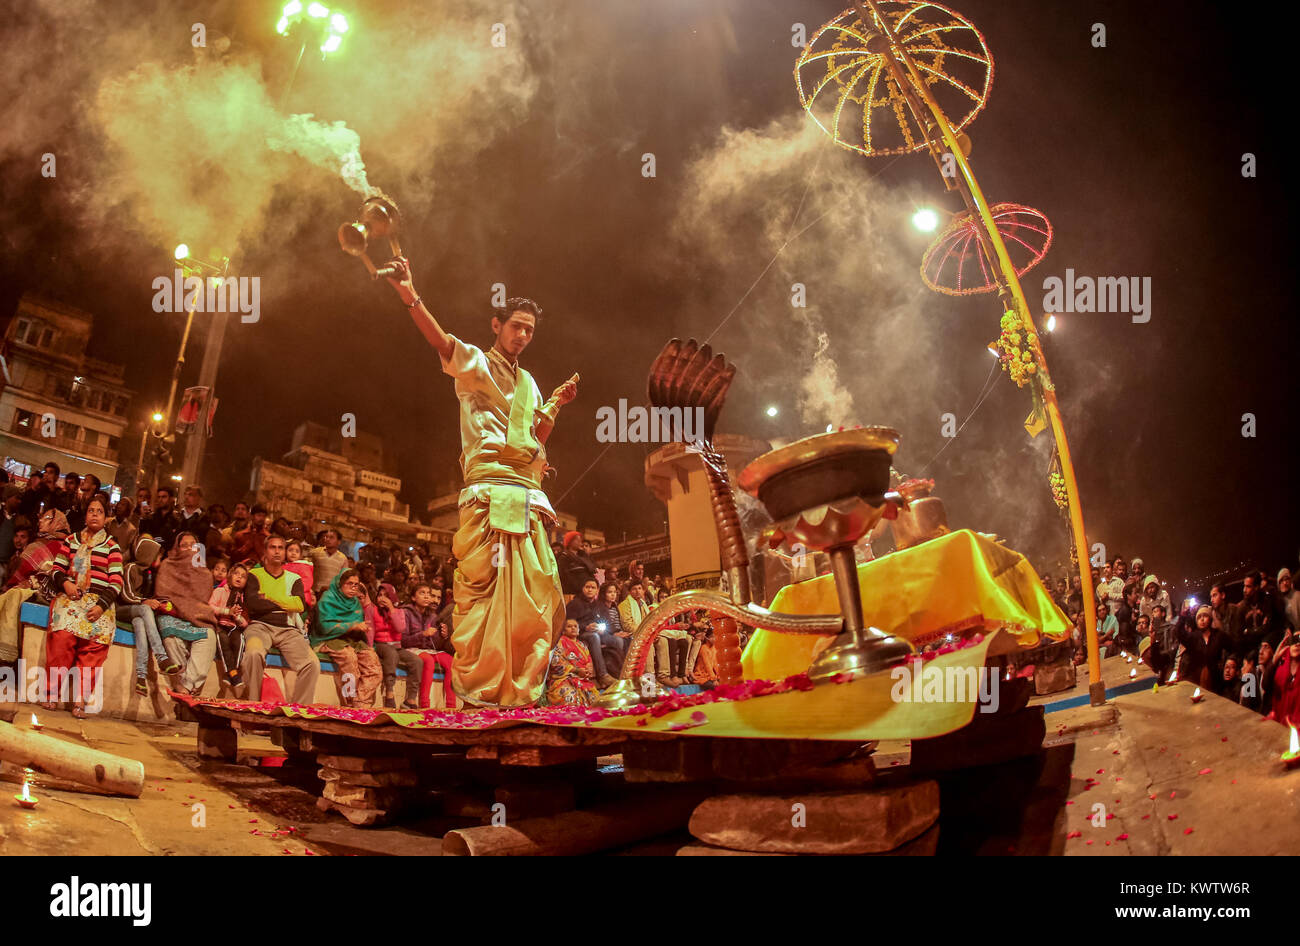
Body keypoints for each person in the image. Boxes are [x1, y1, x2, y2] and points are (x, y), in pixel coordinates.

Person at [386, 258, 577, 708]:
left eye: (530, 330)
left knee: (531, 592)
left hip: (525, 496)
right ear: (497, 324)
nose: (523, 335)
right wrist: (408, 292)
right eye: (516, 326)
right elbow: (439, 339)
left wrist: (556, 405)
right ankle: (481, 693)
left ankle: (518, 692)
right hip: (488, 494)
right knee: (488, 593)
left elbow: (529, 440)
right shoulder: (475, 363)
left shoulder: (528, 382)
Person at [42, 493, 123, 718]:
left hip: (99, 603)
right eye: (91, 510)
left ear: (106, 518)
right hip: (71, 599)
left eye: (99, 511)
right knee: (61, 640)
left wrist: (100, 606)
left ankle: (80, 701)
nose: (94, 515)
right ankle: (51, 694)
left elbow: (116, 582)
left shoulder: (112, 546)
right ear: (85, 515)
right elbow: (57, 569)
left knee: (94, 649)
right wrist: (66, 584)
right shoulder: (71, 541)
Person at [241, 535, 321, 704]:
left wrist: (269, 598)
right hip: (259, 626)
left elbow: (299, 605)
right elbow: (253, 604)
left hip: (288, 629)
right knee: (254, 654)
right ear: (265, 551)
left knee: (312, 663)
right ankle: (254, 706)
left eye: (280, 548)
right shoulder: (254, 575)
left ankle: (299, 712)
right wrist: (286, 602)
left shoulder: (294, 578)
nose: (277, 551)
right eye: (272, 547)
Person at [154, 532, 218, 697]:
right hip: (174, 615)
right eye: (184, 545)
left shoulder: (205, 573)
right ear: (177, 548)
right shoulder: (167, 566)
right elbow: (163, 594)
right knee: (170, 636)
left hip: (199, 617)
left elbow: (201, 602)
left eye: (193, 546)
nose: (189, 549)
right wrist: (180, 608)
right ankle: (186, 687)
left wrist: (192, 610)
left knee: (209, 636)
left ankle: (184, 687)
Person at [311, 569, 383, 709]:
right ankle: (348, 704)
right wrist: (351, 626)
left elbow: (359, 626)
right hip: (328, 639)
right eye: (349, 584)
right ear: (340, 584)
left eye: (356, 585)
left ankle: (360, 702)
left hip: (352, 640)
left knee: (373, 662)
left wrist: (359, 630)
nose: (353, 588)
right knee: (349, 658)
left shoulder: (355, 603)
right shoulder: (328, 599)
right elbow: (324, 627)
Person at [119, 536, 181, 695]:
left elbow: (147, 599)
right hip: (122, 609)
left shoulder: (149, 574)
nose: (159, 559)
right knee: (145, 611)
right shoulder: (130, 568)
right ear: (148, 555)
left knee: (140, 622)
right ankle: (162, 658)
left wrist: (156, 603)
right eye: (157, 556)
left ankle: (141, 677)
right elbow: (127, 595)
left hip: (136, 611)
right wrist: (145, 602)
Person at [399, 584, 457, 710]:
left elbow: (433, 644)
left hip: (428, 650)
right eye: (422, 593)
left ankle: (451, 706)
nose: (426, 596)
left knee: (451, 661)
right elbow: (403, 641)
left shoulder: (433, 616)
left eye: (428, 594)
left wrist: (443, 636)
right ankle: (425, 704)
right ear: (414, 598)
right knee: (428, 661)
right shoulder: (406, 613)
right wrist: (422, 634)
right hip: (411, 649)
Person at [370, 581, 422, 710]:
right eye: (380, 595)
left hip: (397, 646)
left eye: (385, 596)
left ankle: (410, 699)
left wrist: (391, 609)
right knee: (391, 654)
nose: (382, 598)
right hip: (381, 644)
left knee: (417, 661)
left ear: (392, 598)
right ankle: (389, 693)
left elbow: (400, 628)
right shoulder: (374, 610)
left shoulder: (399, 612)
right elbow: (371, 631)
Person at [564, 578, 620, 688]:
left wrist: (608, 630)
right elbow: (569, 624)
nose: (590, 590)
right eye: (587, 587)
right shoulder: (574, 604)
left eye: (593, 587)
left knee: (618, 640)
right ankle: (602, 674)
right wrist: (585, 627)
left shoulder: (599, 605)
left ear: (597, 590)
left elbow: (608, 623)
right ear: (582, 588)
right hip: (581, 635)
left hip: (600, 633)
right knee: (594, 637)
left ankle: (621, 673)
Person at [209, 561, 251, 692]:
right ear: (230, 575)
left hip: (234, 627)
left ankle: (230, 673)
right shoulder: (220, 591)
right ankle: (233, 673)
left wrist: (237, 616)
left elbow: (245, 623)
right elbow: (210, 606)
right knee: (223, 641)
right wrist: (227, 611)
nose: (239, 577)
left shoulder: (243, 598)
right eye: (236, 574)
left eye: (243, 576)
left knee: (239, 641)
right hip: (220, 625)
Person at [545, 618, 598, 707]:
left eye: (575, 626)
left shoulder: (582, 645)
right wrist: (576, 671)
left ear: (579, 630)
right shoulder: (559, 643)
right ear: (563, 630)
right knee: (570, 699)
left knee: (595, 700)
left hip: (582, 679)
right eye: (569, 626)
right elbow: (556, 663)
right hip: (564, 678)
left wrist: (588, 669)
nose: (573, 628)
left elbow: (588, 661)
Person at [1176, 605, 1227, 693]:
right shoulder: (1193, 637)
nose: (1202, 619)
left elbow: (1231, 647)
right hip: (1196, 679)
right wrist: (1183, 616)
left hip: (1215, 679)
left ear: (1210, 619)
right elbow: (1179, 633)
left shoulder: (1218, 635)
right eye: (1199, 617)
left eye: (1205, 616)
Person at [140, 485, 181, 554]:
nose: (160, 500)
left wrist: (155, 539)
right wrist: (143, 518)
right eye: (159, 497)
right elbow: (143, 534)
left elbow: (169, 540)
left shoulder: (176, 519)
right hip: (150, 553)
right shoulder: (152, 517)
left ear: (171, 499)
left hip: (166, 555)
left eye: (164, 497)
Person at [309, 529, 348, 599]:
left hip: (332, 594)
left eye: (331, 537)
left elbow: (343, 578)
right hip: (315, 593)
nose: (327, 539)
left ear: (339, 542)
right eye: (326, 537)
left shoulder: (343, 558)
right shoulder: (315, 553)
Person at [557, 531, 599, 595]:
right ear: (570, 542)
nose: (580, 542)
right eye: (577, 540)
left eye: (580, 540)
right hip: (572, 592)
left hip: (587, 591)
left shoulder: (584, 556)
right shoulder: (563, 557)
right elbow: (563, 576)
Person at [106, 498, 138, 565]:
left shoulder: (131, 529)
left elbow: (130, 550)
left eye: (123, 505)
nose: (119, 506)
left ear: (128, 509)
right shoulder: (108, 523)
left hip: (120, 561)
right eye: (119, 503)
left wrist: (119, 559)